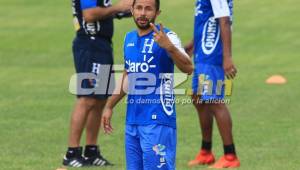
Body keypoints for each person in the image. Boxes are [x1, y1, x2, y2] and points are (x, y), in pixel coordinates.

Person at [101, 0, 193, 169]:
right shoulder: (129, 38)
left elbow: (188, 68)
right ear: (132, 10)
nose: (143, 13)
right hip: (133, 121)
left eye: (148, 9)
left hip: (157, 120)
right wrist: (109, 105)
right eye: (139, 8)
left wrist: (169, 48)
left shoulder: (167, 36)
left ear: (157, 13)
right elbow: (129, 75)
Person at [62, 0, 133, 167]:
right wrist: (118, 7)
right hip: (90, 44)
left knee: (99, 100)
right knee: (87, 98)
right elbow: (89, 14)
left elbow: (107, 11)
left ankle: (91, 151)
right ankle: (71, 152)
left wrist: (130, 9)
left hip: (101, 45)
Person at [185, 0, 240, 168]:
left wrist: (227, 57)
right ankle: (205, 152)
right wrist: (193, 44)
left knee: (214, 101)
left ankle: (230, 156)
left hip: (211, 53)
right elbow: (207, 18)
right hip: (202, 53)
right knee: (199, 100)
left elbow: (224, 20)